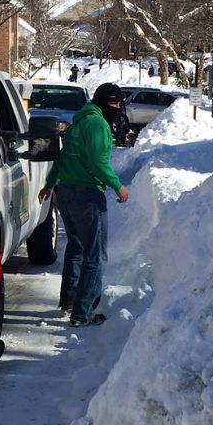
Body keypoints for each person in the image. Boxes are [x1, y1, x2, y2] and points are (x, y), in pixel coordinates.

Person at [38, 82, 129, 326]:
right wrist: (117, 186)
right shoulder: (97, 124)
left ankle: (69, 300)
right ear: (105, 103)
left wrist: (49, 184)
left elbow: (63, 157)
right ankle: (83, 312)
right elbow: (99, 163)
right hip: (87, 195)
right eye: (116, 103)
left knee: (76, 248)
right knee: (95, 255)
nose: (119, 108)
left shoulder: (78, 123)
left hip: (66, 193)